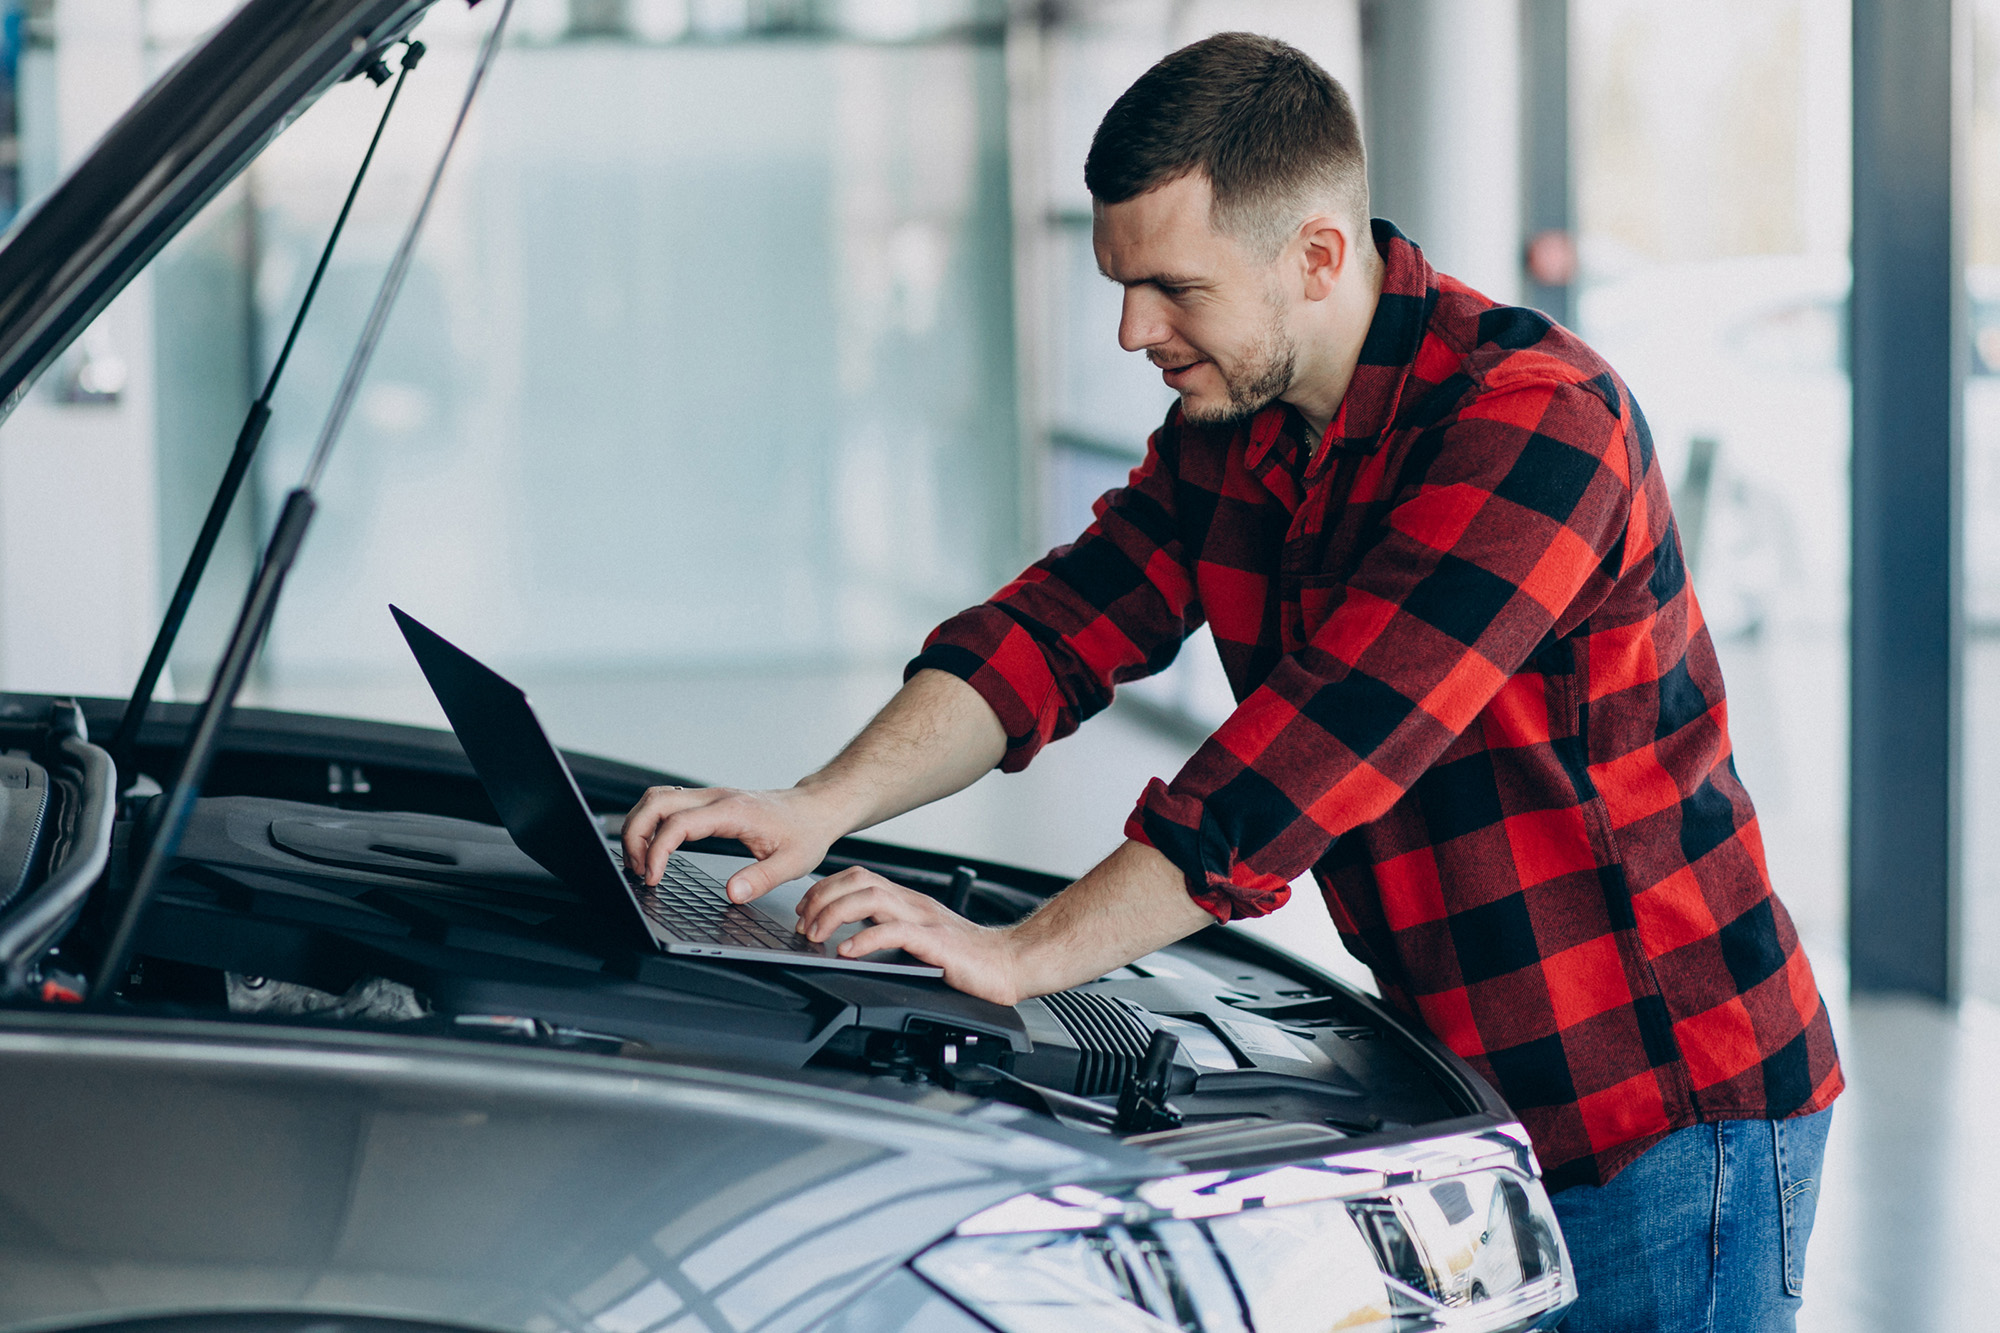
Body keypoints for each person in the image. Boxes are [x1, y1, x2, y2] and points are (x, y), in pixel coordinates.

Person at [623, 31, 1841, 1333]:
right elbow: (1055, 630)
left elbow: (1320, 748)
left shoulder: (1537, 420)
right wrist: (819, 804)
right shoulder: (1231, 437)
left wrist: (1025, 952)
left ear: (1315, 256)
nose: (1134, 328)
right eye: (1122, 282)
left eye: (1171, 288)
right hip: (1470, 1086)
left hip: (1663, 1117)